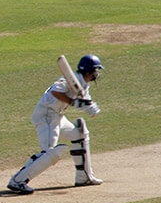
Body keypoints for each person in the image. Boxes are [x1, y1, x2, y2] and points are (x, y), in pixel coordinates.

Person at [7, 54, 104, 194]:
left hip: (57, 116)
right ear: (90, 71)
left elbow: (88, 107)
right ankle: (18, 181)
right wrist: (74, 102)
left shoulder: (83, 84)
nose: (97, 74)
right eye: (96, 70)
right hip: (46, 115)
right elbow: (55, 92)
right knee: (49, 153)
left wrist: (90, 106)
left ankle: (84, 177)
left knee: (79, 135)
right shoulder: (68, 79)